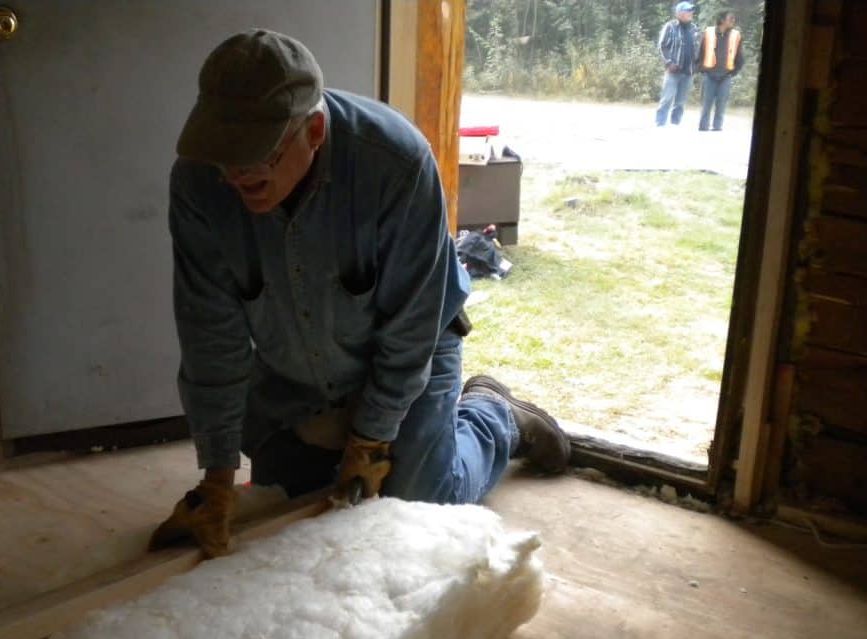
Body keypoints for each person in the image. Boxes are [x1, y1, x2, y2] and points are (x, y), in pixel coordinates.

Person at [149, 29, 571, 556]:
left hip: (408, 351)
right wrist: (216, 476)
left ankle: (494, 416)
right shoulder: (197, 184)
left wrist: (370, 441)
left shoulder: (396, 162)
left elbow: (412, 330)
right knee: (299, 503)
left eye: (257, 154)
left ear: (315, 130)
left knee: (416, 505)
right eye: (224, 154)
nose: (235, 173)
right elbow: (210, 336)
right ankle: (346, 441)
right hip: (292, 367)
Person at [655, 2, 701, 127]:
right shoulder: (670, 27)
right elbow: (661, 46)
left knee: (680, 102)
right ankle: (660, 124)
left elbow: (698, 49)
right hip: (673, 71)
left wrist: (697, 66)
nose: (690, 13)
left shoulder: (695, 28)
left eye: (691, 11)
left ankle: (675, 124)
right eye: (687, 11)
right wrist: (669, 63)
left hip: (689, 72)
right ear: (679, 13)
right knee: (667, 99)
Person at [697, 10, 744, 131]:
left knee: (721, 104)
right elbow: (700, 53)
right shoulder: (708, 33)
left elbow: (740, 57)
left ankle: (717, 127)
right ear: (722, 20)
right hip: (709, 75)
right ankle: (703, 127)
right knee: (706, 104)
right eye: (730, 18)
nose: (733, 21)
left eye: (734, 19)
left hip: (726, 76)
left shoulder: (736, 35)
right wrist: (702, 70)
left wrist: (734, 72)